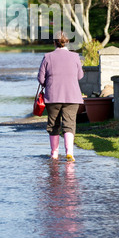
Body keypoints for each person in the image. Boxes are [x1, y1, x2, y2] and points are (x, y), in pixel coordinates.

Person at [37, 31, 84, 162]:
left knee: (53, 125)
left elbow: (41, 79)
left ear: (54, 42)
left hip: (53, 96)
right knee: (69, 124)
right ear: (67, 42)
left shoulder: (47, 56)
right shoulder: (75, 56)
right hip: (72, 96)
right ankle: (70, 153)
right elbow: (80, 76)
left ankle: (54, 154)